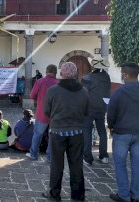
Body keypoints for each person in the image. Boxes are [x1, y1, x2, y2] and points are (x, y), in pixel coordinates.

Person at [42, 62, 88, 201]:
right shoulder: (84, 91)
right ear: (75, 74)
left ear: (61, 74)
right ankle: (78, 195)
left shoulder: (53, 90)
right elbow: (86, 111)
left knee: (57, 165)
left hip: (58, 132)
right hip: (77, 133)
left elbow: (46, 111)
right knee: (76, 165)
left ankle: (54, 194)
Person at [107, 62, 139, 202]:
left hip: (121, 134)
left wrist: (112, 127)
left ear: (125, 75)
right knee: (137, 165)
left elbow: (111, 113)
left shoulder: (118, 92)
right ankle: (136, 195)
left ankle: (124, 195)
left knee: (120, 165)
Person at [82, 57, 111, 165]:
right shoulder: (107, 77)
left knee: (87, 131)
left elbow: (83, 94)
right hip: (102, 107)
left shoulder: (87, 78)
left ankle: (87, 157)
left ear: (93, 66)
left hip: (89, 108)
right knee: (102, 131)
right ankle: (104, 156)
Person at [26, 64, 58, 162]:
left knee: (37, 135)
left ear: (46, 71)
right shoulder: (59, 83)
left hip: (42, 113)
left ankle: (33, 154)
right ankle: (49, 157)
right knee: (53, 136)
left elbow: (32, 96)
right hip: (55, 115)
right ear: (55, 72)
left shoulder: (40, 81)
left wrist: (39, 99)